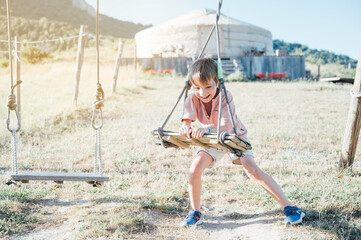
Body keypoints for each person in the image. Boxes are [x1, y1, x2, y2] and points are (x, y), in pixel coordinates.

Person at [178, 58, 304, 227]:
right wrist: (186, 128)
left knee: (251, 169)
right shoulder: (192, 98)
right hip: (211, 140)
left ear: (218, 82)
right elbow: (186, 121)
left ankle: (290, 207)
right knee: (195, 169)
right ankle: (195, 212)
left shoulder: (225, 96)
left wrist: (205, 130)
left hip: (234, 137)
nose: (202, 92)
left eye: (208, 86)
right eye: (197, 87)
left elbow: (226, 126)